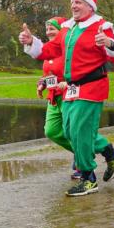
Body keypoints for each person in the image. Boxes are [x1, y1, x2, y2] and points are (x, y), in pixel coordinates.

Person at [19, 0, 114, 196]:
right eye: (72, 2)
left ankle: (88, 178)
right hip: (71, 87)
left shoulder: (101, 26)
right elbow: (50, 50)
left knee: (79, 131)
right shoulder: (68, 28)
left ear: (90, 7)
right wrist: (31, 41)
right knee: (68, 132)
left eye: (78, 2)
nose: (73, 6)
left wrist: (109, 44)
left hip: (92, 86)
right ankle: (110, 154)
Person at [37, 16, 83, 180]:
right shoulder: (47, 51)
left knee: (72, 132)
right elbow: (48, 75)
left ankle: (85, 162)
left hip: (68, 96)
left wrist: (67, 82)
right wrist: (42, 84)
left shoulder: (68, 50)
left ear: (62, 31)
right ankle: (81, 153)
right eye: (47, 29)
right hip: (53, 98)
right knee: (51, 131)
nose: (48, 32)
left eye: (52, 29)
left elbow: (79, 73)